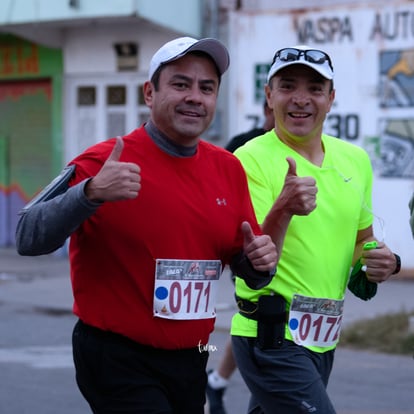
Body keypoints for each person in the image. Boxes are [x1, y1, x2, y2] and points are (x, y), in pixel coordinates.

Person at [15, 36, 278, 414]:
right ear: (150, 93)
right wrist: (90, 192)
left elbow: (246, 270)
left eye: (207, 88)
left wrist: (259, 262)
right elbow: (27, 235)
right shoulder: (103, 161)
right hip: (116, 356)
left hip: (194, 355)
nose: (195, 97)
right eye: (180, 84)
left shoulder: (228, 168)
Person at [230, 45, 401, 413]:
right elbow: (252, 256)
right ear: (269, 95)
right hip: (270, 336)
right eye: (288, 86)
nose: (301, 100)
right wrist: (284, 208)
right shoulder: (248, 159)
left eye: (315, 89)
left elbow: (361, 242)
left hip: (323, 336)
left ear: (331, 98)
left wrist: (380, 262)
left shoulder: (354, 159)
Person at [206, 100, 275, 414]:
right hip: (249, 249)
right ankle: (225, 383)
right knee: (257, 317)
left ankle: (218, 380)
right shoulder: (241, 146)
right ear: (267, 107)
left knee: (257, 323)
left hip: (287, 252)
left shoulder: (306, 151)